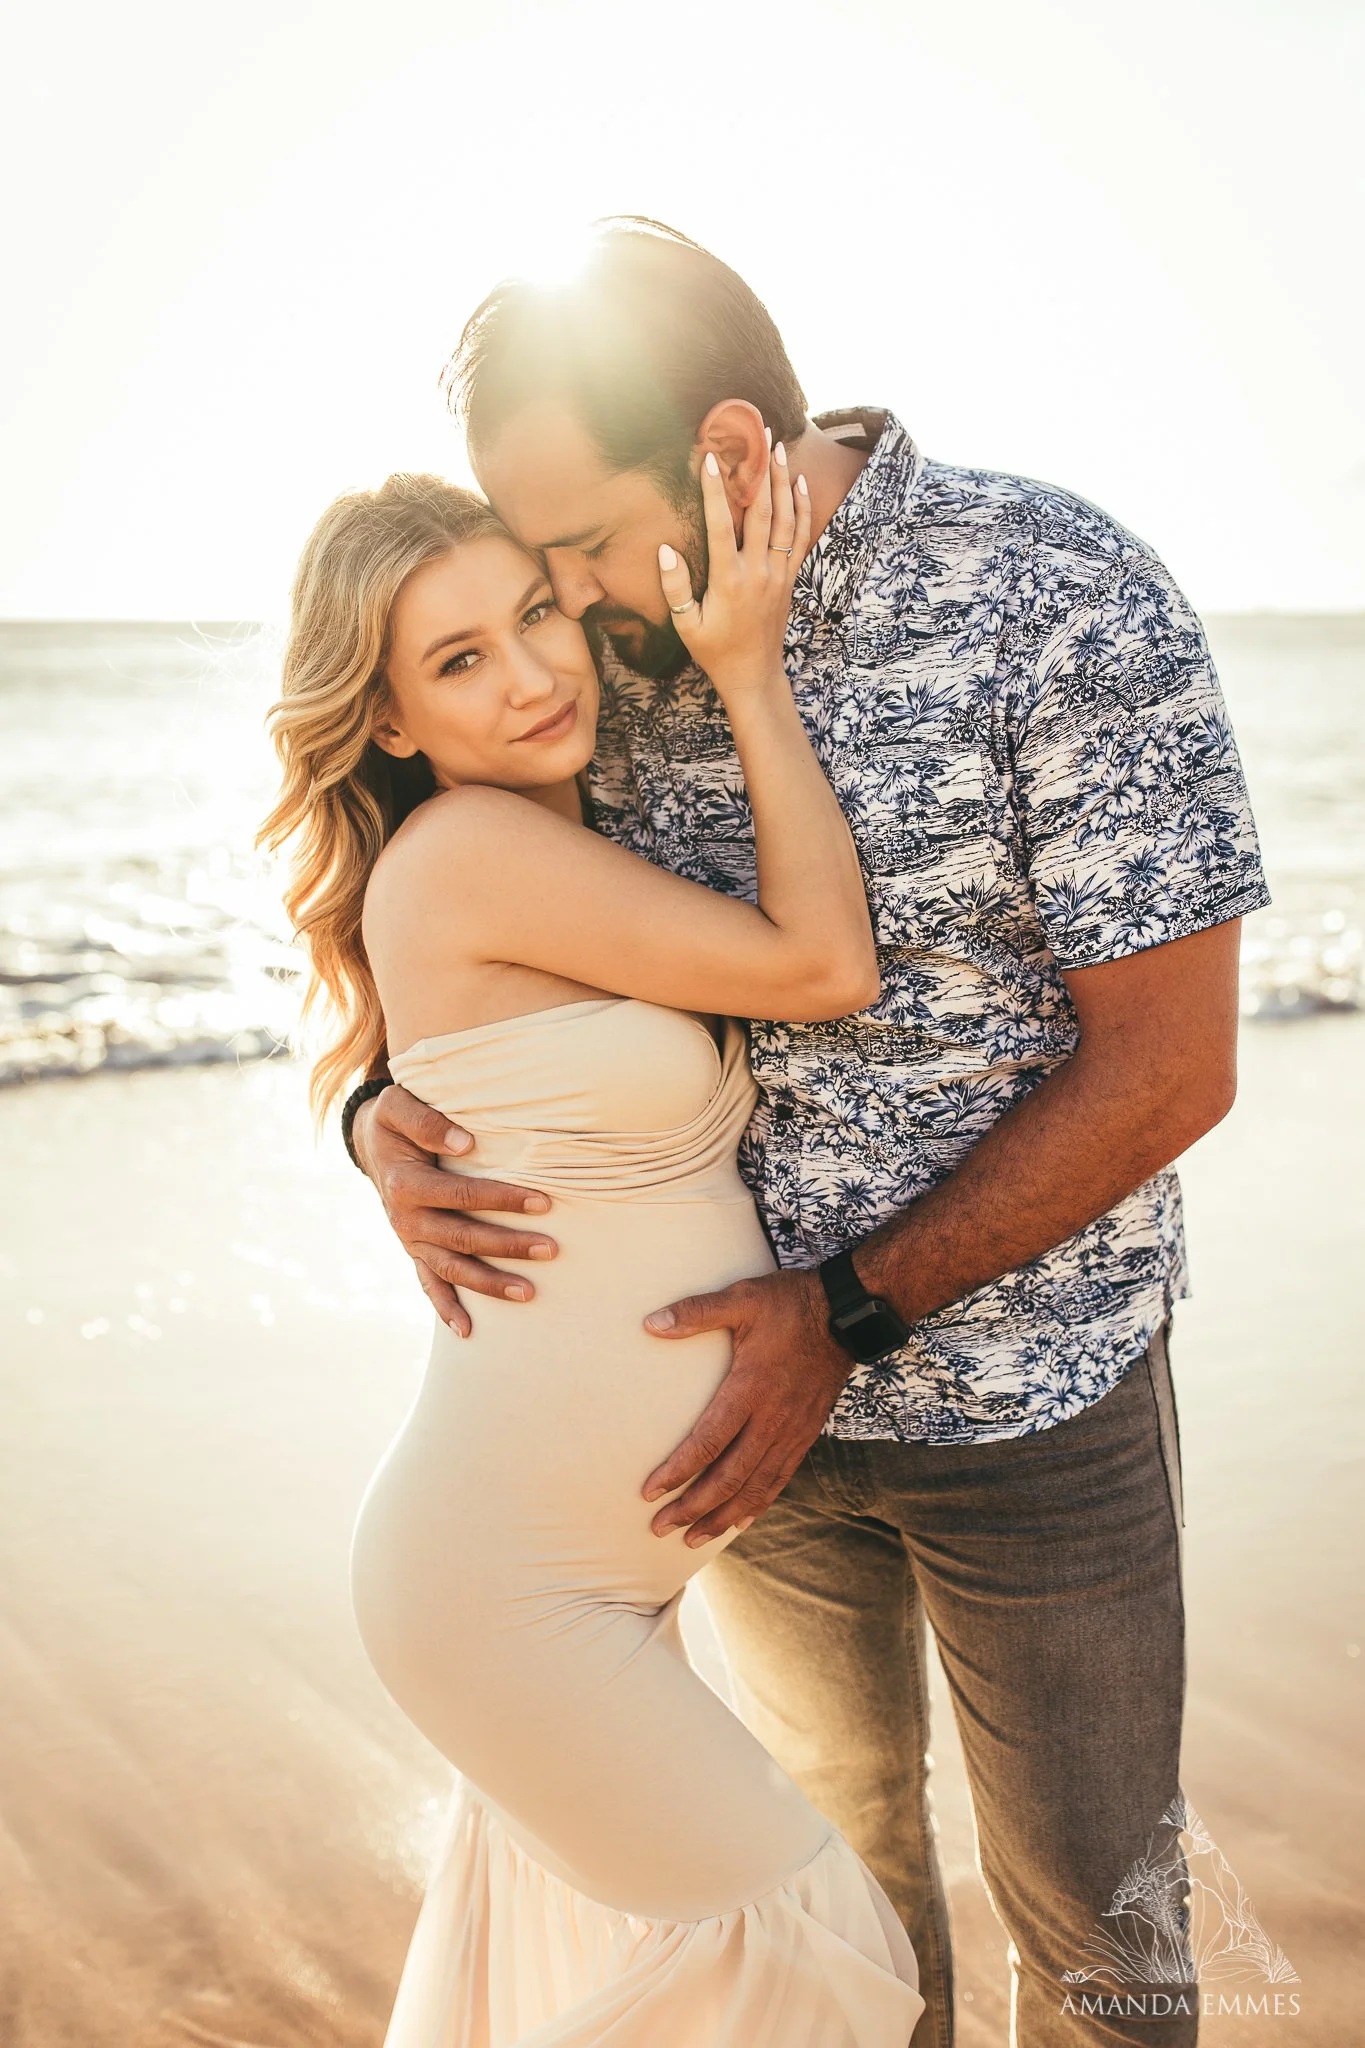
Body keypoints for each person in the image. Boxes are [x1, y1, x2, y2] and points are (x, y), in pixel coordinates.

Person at [347, 220, 1272, 2047]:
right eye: (536, 570)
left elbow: (1173, 1071)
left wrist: (839, 1313)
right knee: (837, 1921)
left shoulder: (1061, 593)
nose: (574, 610)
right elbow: (489, 941)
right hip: (738, 1457)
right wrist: (384, 1116)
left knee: (1101, 1938)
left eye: (587, 548)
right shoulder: (604, 677)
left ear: (732, 456)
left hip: (1031, 1406)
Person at [260, 454, 925, 2046]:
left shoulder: (568, 841)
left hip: (578, 1590)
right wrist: (748, 671)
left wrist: (365, 1120)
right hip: (505, 1595)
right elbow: (825, 964)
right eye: (460, 659)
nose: (536, 671)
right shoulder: (475, 852)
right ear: (393, 722)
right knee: (822, 1956)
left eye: (537, 612)